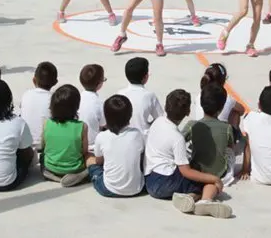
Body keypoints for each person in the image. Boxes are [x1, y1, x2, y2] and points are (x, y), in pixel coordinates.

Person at [144, 89, 232, 218]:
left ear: (166, 106)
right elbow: (186, 172)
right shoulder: (176, 138)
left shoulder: (157, 122)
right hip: (165, 183)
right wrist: (215, 178)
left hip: (150, 181)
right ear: (188, 112)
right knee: (204, 178)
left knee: (195, 178)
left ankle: (190, 198)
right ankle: (205, 200)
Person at [87, 94, 146, 197]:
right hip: (137, 188)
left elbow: (99, 161)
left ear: (106, 116)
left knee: (90, 159)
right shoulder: (137, 134)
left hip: (108, 189)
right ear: (130, 115)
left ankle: (86, 174)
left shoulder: (101, 136)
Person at [183, 84, 237, 184]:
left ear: (201, 103)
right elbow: (230, 148)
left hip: (198, 171)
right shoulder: (227, 127)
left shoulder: (192, 125)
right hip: (220, 173)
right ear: (221, 108)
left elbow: (179, 141)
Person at [118, 57, 165, 137]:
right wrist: (149, 125)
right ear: (146, 77)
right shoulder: (150, 96)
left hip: (122, 137)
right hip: (143, 139)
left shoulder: (120, 93)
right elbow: (160, 119)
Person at [21, 61, 58, 149]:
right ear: (55, 82)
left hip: (26, 144)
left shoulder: (26, 95)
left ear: (34, 80)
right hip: (47, 145)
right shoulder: (55, 99)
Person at [78, 64, 106, 152]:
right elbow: (103, 124)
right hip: (93, 145)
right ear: (99, 84)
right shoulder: (100, 102)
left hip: (77, 142)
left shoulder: (77, 98)